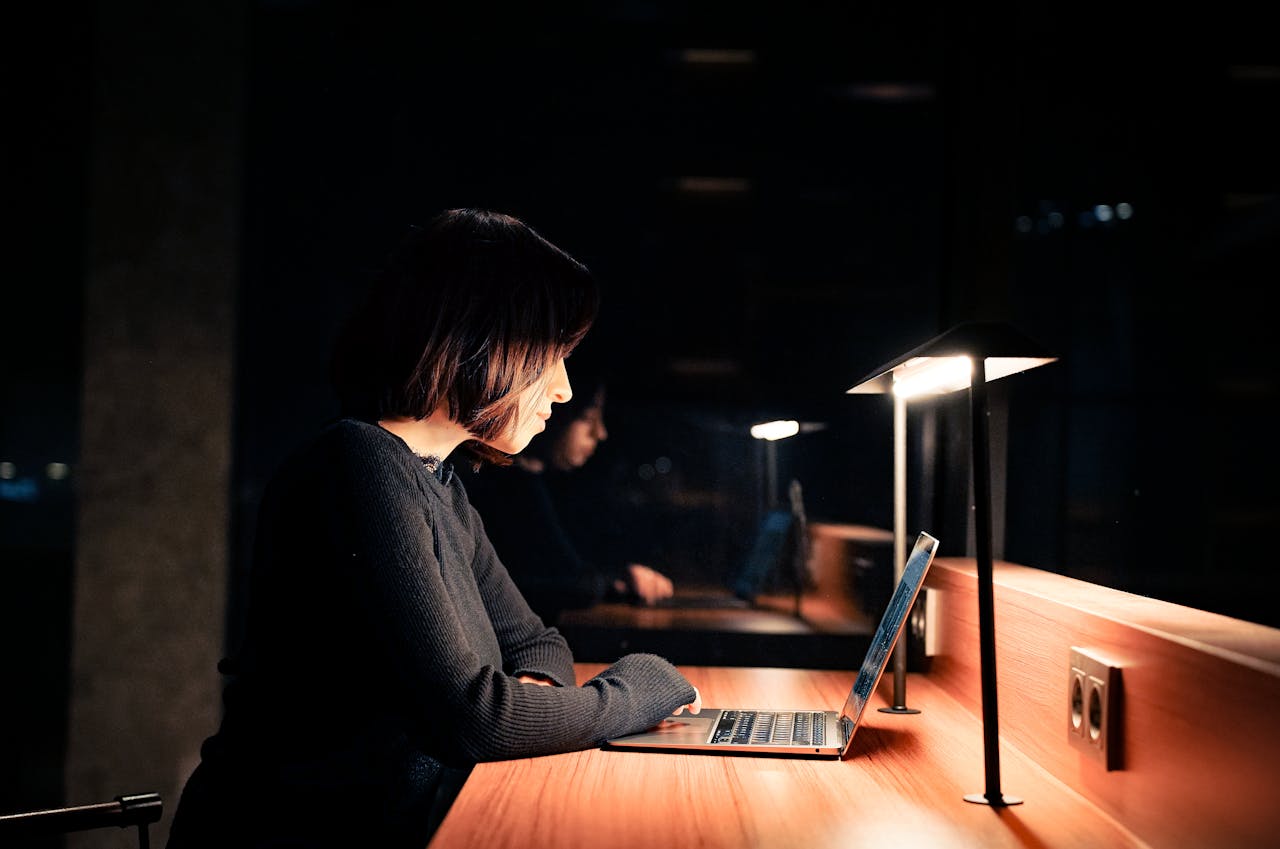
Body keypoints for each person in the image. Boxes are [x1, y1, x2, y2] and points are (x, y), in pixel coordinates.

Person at [166, 209, 700, 849]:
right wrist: (642, 684)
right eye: (553, 356)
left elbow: (537, 645)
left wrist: (522, 705)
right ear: (483, 339)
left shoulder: (438, 483)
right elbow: (478, 720)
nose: (562, 390)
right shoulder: (357, 464)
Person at [461, 350, 675, 625]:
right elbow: (552, 582)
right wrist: (611, 581)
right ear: (554, 413)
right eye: (588, 417)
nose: (600, 432)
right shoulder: (502, 487)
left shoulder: (542, 484)